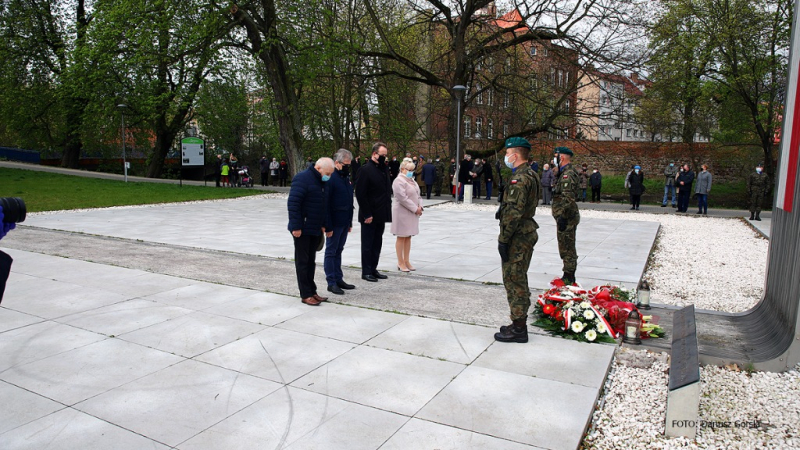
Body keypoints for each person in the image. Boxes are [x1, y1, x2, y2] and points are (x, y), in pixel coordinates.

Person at [494, 137, 540, 343]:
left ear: (516, 155)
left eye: (507, 153)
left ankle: (520, 328)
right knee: (517, 277)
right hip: (525, 232)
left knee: (515, 280)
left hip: (517, 236)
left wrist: (503, 239)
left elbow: (513, 212)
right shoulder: (531, 174)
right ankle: (517, 322)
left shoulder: (519, 179)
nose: (506, 157)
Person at [287, 157, 335, 306]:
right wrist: (296, 226)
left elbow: (324, 205)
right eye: (327, 173)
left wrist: (327, 225)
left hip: (315, 227)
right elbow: (293, 204)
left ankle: (312, 291)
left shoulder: (322, 181)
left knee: (310, 262)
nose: (329, 176)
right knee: (302, 262)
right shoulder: (302, 178)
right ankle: (305, 294)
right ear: (318, 168)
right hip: (302, 228)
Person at [355, 142, 392, 282]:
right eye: (382, 155)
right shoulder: (365, 170)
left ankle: (373, 268)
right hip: (369, 214)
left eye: (385, 155)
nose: (385, 157)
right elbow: (360, 193)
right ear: (374, 154)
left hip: (381, 213)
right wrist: (367, 213)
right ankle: (366, 271)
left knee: (377, 243)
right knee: (368, 244)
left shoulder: (383, 169)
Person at [324, 149, 357, 295]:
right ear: (336, 163)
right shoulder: (331, 178)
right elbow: (326, 204)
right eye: (345, 164)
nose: (347, 166)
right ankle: (331, 282)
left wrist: (349, 222)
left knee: (339, 250)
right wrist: (328, 225)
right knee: (331, 251)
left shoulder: (345, 177)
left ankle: (338, 278)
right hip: (334, 222)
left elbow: (349, 201)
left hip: (344, 221)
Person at [551, 147, 580, 285]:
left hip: (567, 218)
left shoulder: (568, 175)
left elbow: (568, 198)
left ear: (561, 158)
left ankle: (569, 275)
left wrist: (562, 216)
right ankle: (567, 273)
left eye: (555, 156)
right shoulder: (563, 173)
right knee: (564, 245)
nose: (553, 159)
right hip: (564, 217)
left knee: (567, 246)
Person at [392, 158, 424, 272]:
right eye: (409, 170)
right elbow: (402, 198)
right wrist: (415, 208)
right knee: (401, 236)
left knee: (408, 236)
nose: (411, 172)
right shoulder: (398, 181)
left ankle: (407, 260)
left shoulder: (412, 180)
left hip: (412, 212)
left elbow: (418, 195)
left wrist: (420, 206)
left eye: (412, 170)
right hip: (402, 212)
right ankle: (400, 262)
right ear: (402, 169)